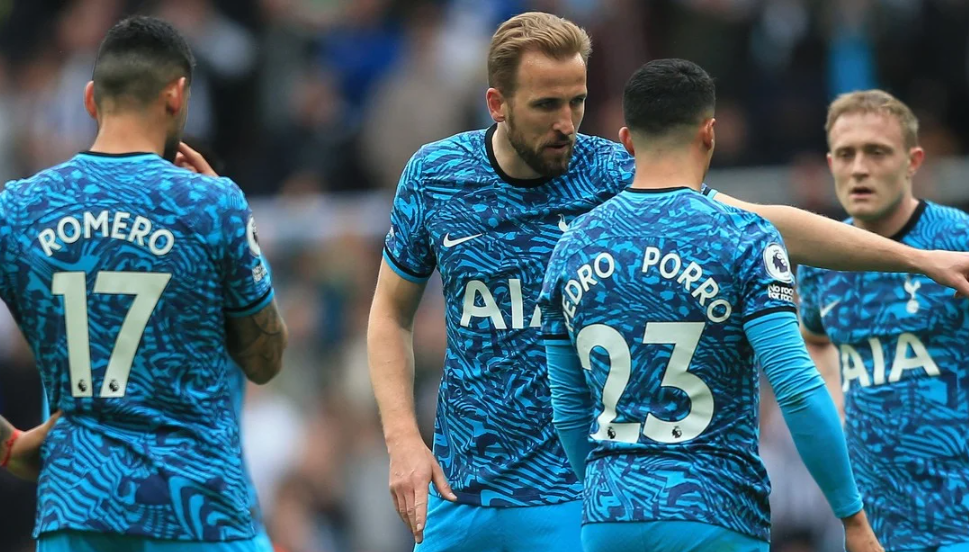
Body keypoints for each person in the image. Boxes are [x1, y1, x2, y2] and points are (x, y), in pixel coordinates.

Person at [367, 11, 969, 552]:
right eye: (546, 105)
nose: (568, 123)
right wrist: (402, 440)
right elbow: (389, 314)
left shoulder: (610, 172)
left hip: (570, 496)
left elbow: (759, 225)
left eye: (577, 101)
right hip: (460, 489)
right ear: (497, 104)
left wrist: (917, 259)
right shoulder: (434, 176)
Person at [539, 57, 882, 552]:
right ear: (709, 133)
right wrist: (852, 515)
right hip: (714, 511)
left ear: (627, 141)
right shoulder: (743, 236)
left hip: (609, 518)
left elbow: (568, 411)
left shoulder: (570, 249)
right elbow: (798, 389)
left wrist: (605, 490)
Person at [0, 16, 287, 552]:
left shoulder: (18, 209)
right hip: (196, 510)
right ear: (177, 96)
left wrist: (7, 445)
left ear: (91, 99)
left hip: (75, 510)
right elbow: (265, 361)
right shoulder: (211, 203)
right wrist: (235, 230)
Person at [798, 90, 969, 552]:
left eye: (877, 152)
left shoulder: (958, 241)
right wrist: (835, 400)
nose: (859, 168)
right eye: (846, 154)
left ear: (913, 160)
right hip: (876, 528)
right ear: (831, 163)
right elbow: (814, 339)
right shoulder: (820, 261)